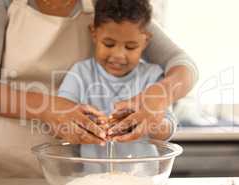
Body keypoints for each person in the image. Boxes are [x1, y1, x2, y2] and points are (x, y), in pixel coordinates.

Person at [0, 0, 198, 178]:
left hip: (62, 167)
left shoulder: (106, 5)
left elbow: (183, 64)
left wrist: (158, 96)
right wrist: (47, 108)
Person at [58, 0, 177, 173]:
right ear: (94, 34)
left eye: (130, 47)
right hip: (93, 181)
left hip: (142, 180)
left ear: (145, 41)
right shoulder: (80, 74)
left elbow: (168, 129)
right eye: (109, 44)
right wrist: (87, 124)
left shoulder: (152, 76)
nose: (119, 55)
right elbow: (61, 121)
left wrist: (148, 122)